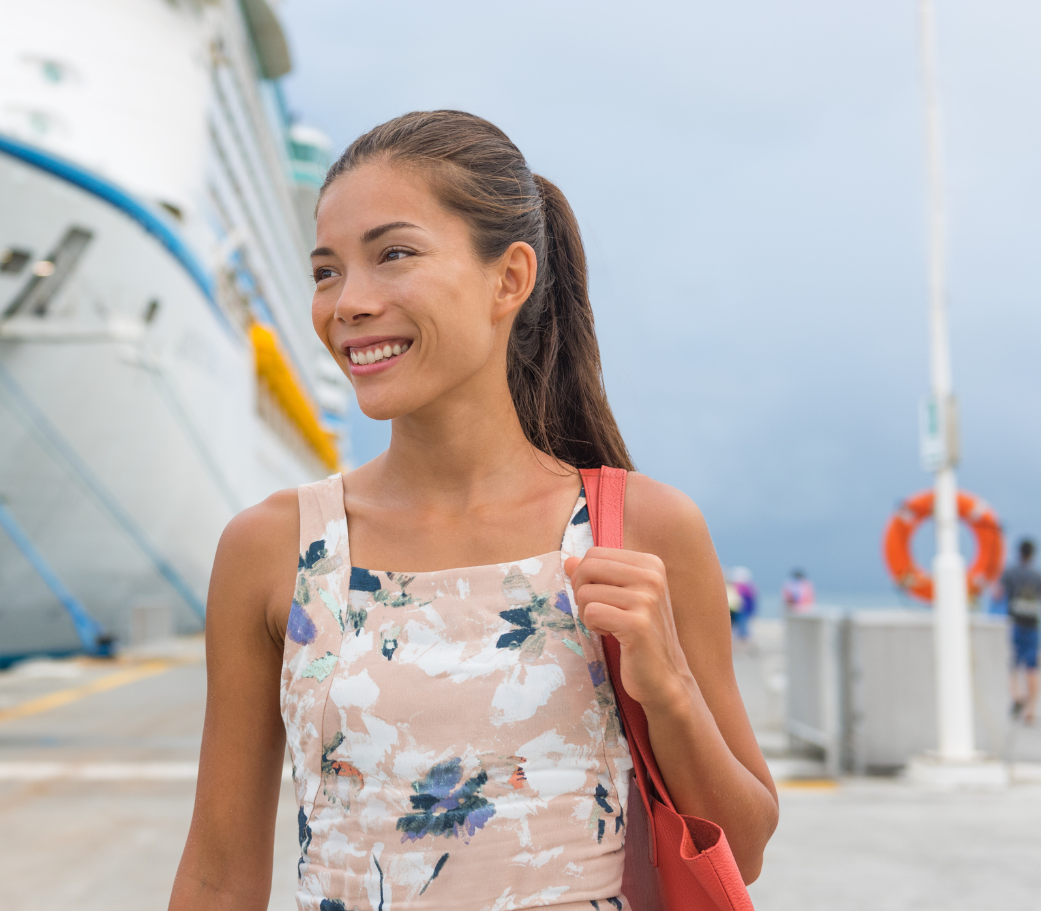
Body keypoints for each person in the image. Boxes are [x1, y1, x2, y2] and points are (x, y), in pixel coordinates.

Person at [169, 111, 777, 910]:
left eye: (393, 255)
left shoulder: (643, 528)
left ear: (510, 279)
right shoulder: (272, 546)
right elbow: (219, 870)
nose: (348, 302)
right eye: (326, 271)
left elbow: (745, 851)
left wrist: (669, 691)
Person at [997, 537, 1041, 725]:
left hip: (1014, 624)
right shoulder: (1039, 577)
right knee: (1033, 669)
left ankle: (1016, 695)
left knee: (1013, 665)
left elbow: (997, 594)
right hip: (1033, 626)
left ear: (1019, 553)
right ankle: (1031, 710)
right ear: (1033, 555)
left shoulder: (1010, 573)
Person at [728, 566, 757, 642]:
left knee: (734, 626)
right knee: (742, 626)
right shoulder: (747, 587)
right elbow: (751, 601)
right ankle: (743, 639)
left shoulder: (734, 586)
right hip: (741, 609)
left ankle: (738, 639)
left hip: (735, 609)